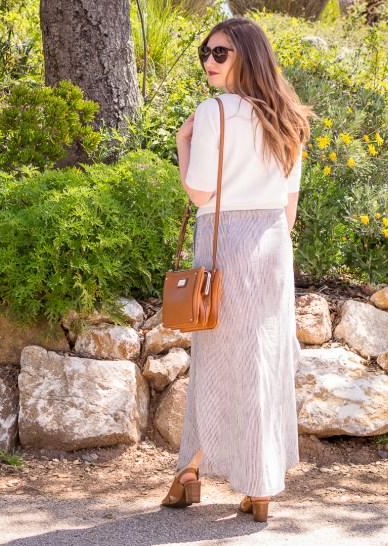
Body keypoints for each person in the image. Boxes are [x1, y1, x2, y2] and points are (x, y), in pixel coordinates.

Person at [160, 17, 313, 523]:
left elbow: (200, 193)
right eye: (206, 52)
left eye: (220, 53)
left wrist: (183, 143)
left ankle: (199, 473)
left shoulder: (212, 113)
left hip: (225, 240)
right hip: (272, 246)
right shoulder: (288, 115)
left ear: (247, 54)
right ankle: (251, 484)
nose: (209, 61)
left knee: (216, 359)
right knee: (261, 363)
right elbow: (289, 206)